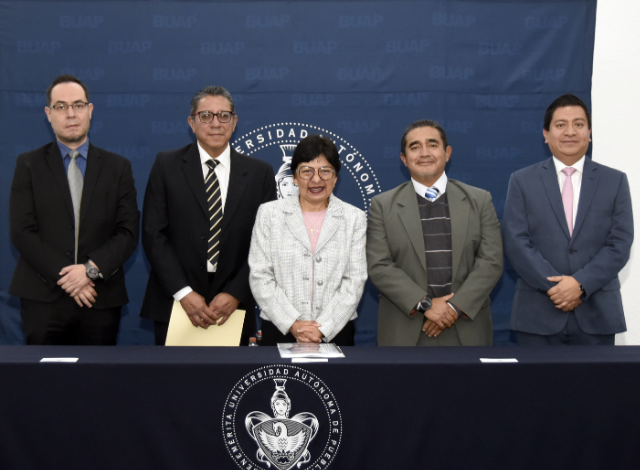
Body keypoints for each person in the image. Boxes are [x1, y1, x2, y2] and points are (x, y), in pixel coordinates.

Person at [9, 74, 140, 345]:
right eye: (61, 106)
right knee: (42, 373)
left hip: (99, 298)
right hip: (42, 299)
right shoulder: (28, 164)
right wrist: (69, 277)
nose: (71, 114)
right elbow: (22, 231)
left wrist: (89, 271)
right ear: (48, 114)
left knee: (98, 373)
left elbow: (127, 232)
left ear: (90, 110)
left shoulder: (118, 167)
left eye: (78, 105)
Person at [140, 86, 276, 345]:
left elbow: (267, 244)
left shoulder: (260, 173)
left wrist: (236, 292)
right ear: (191, 123)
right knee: (175, 373)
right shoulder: (166, 165)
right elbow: (153, 234)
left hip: (233, 308)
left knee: (232, 373)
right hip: (175, 303)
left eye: (224, 116)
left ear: (234, 122)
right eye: (205, 116)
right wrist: (183, 293)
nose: (215, 123)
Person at [503, 94, 633, 345]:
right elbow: (516, 242)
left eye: (579, 124)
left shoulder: (615, 181)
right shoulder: (522, 181)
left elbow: (620, 243)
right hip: (537, 314)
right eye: (561, 125)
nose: (570, 132)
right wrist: (557, 288)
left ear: (589, 133)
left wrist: (581, 284)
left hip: (598, 314)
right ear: (546, 133)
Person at [367, 120, 503, 346]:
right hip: (405, 332)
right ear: (404, 158)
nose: (424, 153)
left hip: (466, 329)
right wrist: (427, 305)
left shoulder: (480, 201)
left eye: (432, 145)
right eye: (415, 147)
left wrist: (453, 308)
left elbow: (492, 261)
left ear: (447, 153)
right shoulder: (382, 205)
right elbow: (379, 266)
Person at [249, 134, 367, 346]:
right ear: (294, 177)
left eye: (325, 171)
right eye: (307, 171)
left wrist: (323, 328)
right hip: (279, 329)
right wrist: (292, 323)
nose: (316, 179)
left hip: (336, 331)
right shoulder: (269, 214)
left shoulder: (354, 218)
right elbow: (260, 275)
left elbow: (354, 280)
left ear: (336, 177)